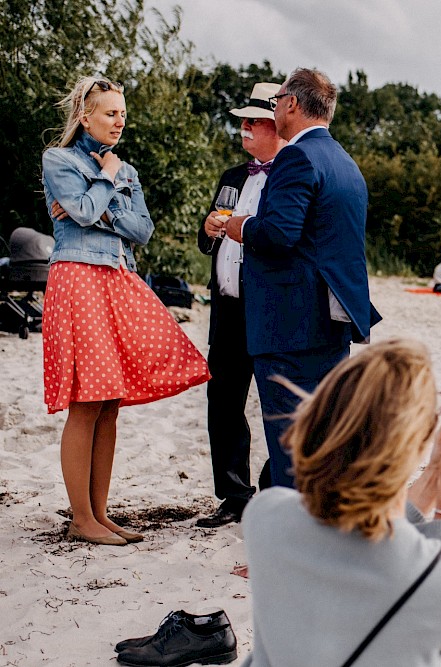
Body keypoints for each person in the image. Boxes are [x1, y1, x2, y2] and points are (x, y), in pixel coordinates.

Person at [241, 339, 441, 666]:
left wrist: (436, 472)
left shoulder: (265, 516)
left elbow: (367, 532)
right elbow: (430, 578)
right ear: (414, 443)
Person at [41, 76, 210, 546]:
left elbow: (141, 230)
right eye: (111, 112)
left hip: (118, 278)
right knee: (87, 399)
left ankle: (99, 512)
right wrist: (107, 181)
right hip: (78, 277)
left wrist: (103, 200)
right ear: (85, 116)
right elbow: (81, 212)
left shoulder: (126, 168)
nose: (119, 121)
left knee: (110, 402)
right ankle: (81, 518)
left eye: (122, 114)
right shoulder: (59, 159)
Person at [225, 68, 381, 489]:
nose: (274, 108)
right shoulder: (345, 161)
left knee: (289, 440)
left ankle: (287, 550)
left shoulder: (296, 156)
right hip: (332, 320)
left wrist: (240, 227)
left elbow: (278, 233)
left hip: (290, 323)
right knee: (322, 437)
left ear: (291, 103)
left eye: (276, 101)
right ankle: (317, 539)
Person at [195, 82, 287, 529]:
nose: (244, 127)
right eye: (243, 120)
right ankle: (233, 495)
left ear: (277, 125)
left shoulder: (291, 176)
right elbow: (204, 241)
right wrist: (211, 228)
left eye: (254, 120)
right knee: (224, 402)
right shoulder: (232, 176)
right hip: (227, 308)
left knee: (276, 405)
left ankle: (272, 491)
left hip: (269, 309)